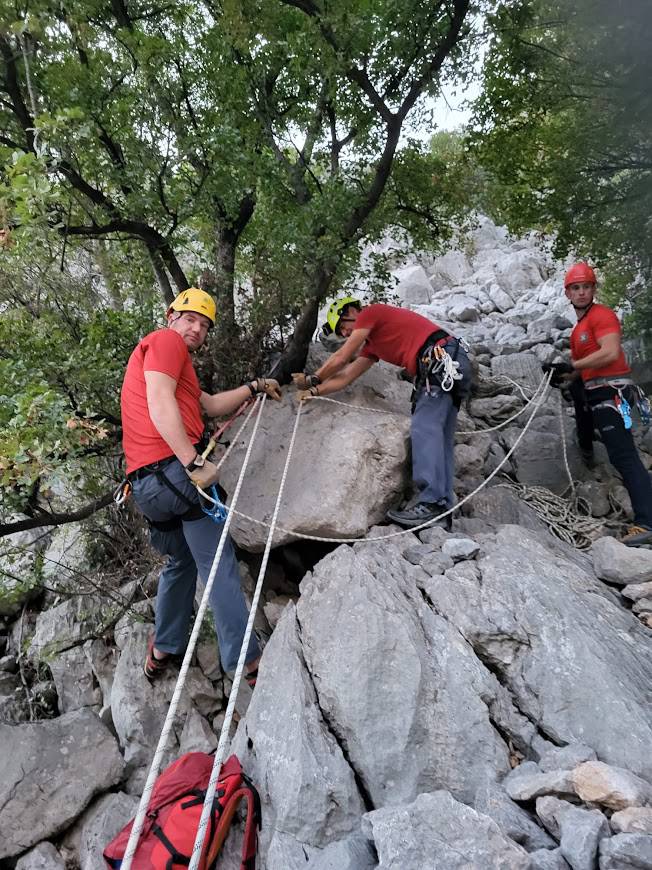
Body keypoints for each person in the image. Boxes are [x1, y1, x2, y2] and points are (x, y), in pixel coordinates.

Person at [120, 288, 282, 680]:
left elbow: (208, 405)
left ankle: (163, 648)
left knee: (182, 560)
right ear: (171, 315)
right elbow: (159, 403)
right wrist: (192, 462)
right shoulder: (165, 341)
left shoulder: (174, 363)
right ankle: (246, 660)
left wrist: (254, 387)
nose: (196, 329)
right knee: (217, 565)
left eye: (204, 325)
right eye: (190, 318)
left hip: (147, 488)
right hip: (177, 473)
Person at [292, 297, 472, 528]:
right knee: (439, 436)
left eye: (344, 327)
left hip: (440, 360)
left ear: (352, 312)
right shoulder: (372, 347)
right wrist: (315, 391)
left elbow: (341, 358)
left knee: (424, 428)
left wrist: (311, 379)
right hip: (449, 364)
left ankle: (431, 503)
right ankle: (441, 510)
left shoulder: (371, 313)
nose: (346, 334)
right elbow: (345, 377)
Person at [544, 263, 652, 547]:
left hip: (612, 393)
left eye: (585, 287)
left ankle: (647, 522)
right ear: (567, 293)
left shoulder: (601, 316)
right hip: (604, 394)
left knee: (623, 455)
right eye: (575, 288)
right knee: (623, 453)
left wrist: (575, 365)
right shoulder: (579, 328)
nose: (581, 293)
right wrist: (565, 375)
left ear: (593, 289)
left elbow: (611, 351)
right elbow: (584, 367)